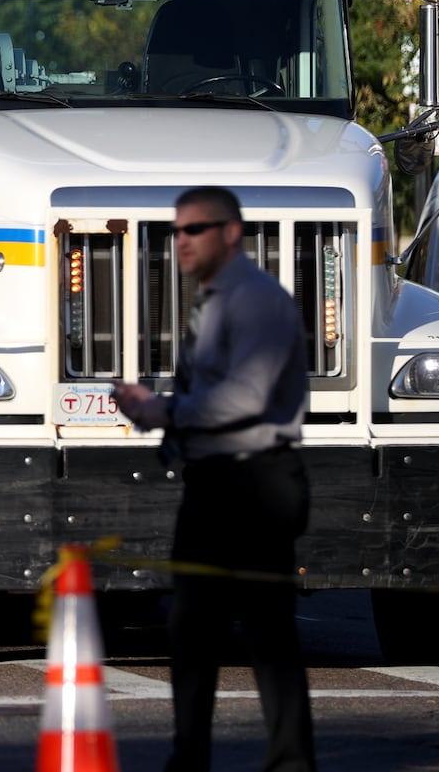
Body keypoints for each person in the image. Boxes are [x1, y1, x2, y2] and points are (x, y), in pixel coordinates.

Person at [112, 186, 316, 772]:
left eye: (195, 230)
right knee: (193, 629)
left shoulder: (254, 300)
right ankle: (190, 757)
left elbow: (247, 397)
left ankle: (291, 763)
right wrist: (157, 409)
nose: (181, 242)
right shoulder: (215, 300)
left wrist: (167, 410)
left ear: (232, 233)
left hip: (255, 483)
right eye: (177, 231)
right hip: (214, 483)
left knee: (267, 634)